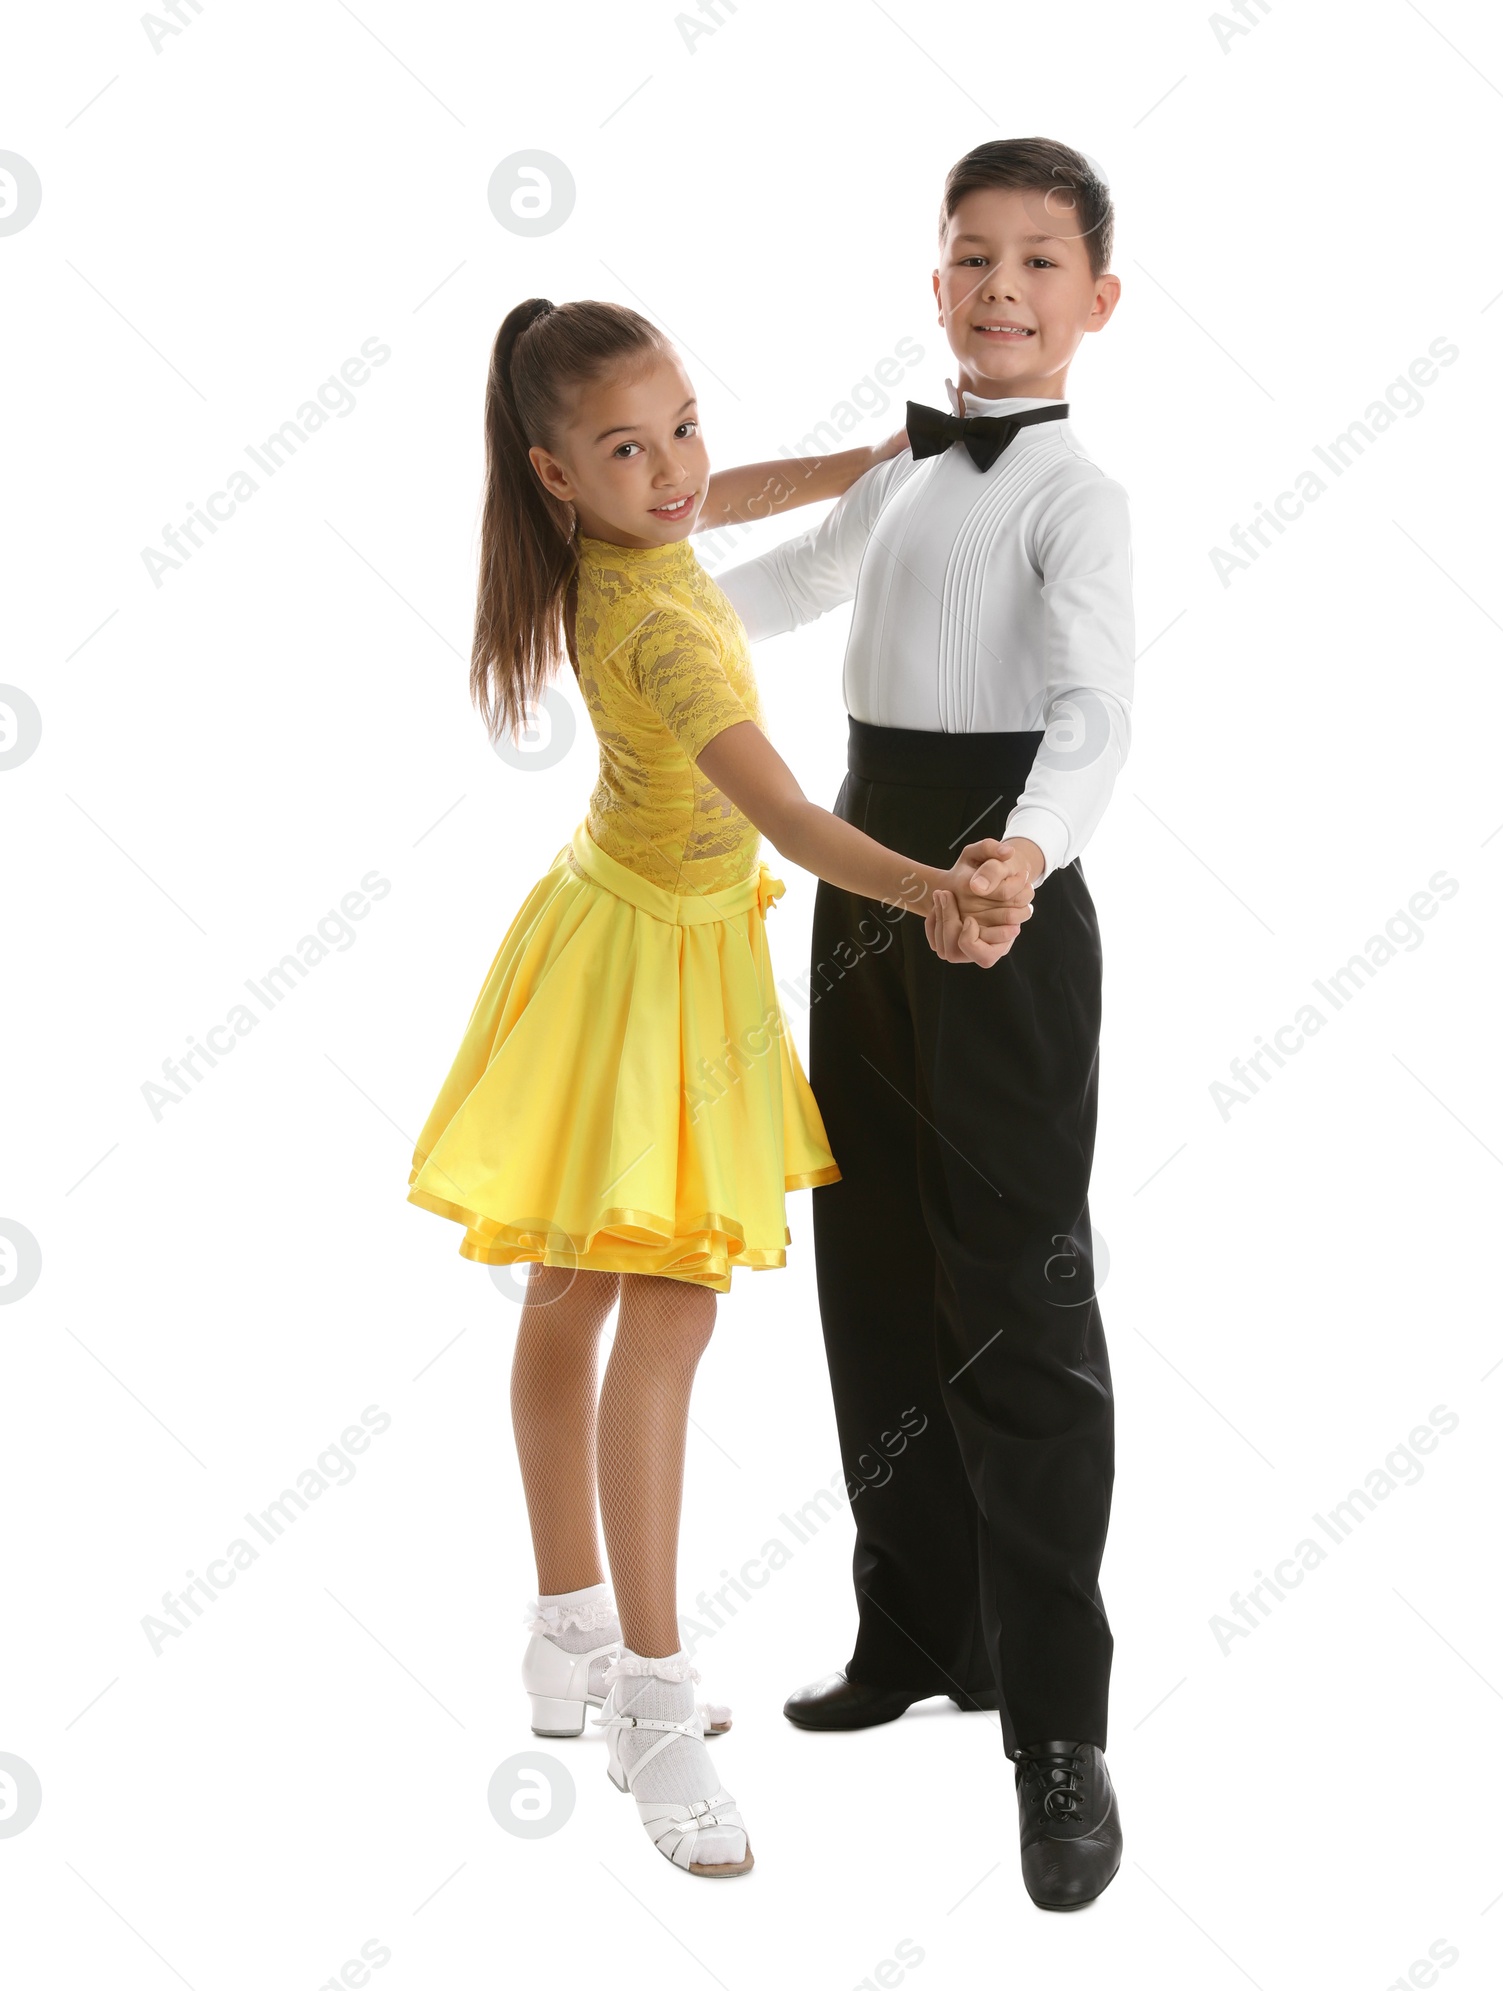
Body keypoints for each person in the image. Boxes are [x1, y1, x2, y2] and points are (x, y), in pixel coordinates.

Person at [405, 297, 1033, 1880]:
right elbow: (794, 822)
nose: (679, 467)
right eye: (632, 449)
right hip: (653, 979)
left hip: (615, 927)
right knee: (661, 1310)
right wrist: (930, 891)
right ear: (559, 476)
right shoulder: (661, 632)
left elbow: (716, 500)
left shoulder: (612, 537)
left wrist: (865, 458)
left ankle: (566, 1638)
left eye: (684, 423)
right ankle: (652, 1703)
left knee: (570, 1289)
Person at [716, 137, 1133, 1910]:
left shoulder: (1074, 495)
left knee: (1017, 1304)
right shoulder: (900, 472)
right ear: (936, 279)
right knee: (872, 1265)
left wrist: (1018, 858)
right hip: (859, 883)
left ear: (1095, 301)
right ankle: (918, 1637)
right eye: (975, 258)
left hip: (995, 901)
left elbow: (1098, 710)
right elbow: (780, 594)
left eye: (1040, 264)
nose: (1002, 290)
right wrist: (616, 627)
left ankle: (1058, 1726)